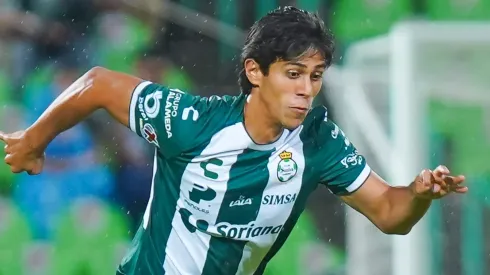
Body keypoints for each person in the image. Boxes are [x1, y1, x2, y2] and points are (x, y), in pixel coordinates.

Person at [0, 6, 467, 275]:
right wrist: (32, 141)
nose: (307, 88)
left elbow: (390, 214)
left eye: (316, 76)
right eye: (293, 74)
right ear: (254, 72)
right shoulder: (192, 122)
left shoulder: (318, 140)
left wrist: (419, 194)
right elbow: (98, 83)